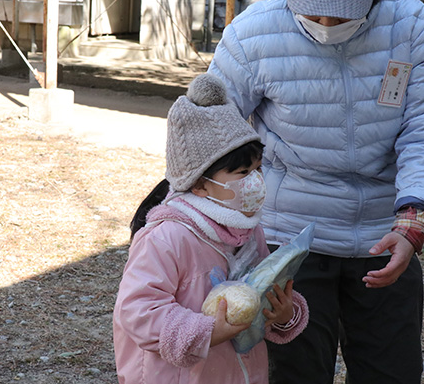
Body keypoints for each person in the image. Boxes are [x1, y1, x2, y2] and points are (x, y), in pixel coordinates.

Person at [207, 0, 424, 383]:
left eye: (343, 7)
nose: (326, 20)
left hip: (385, 234)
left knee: (392, 373)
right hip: (288, 237)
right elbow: (212, 133)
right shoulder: (252, 34)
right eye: (313, 7)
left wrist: (413, 221)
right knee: (294, 374)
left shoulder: (412, 28)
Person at [113, 73, 309, 384]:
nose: (255, 180)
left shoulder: (247, 230)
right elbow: (138, 311)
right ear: (202, 184)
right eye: (243, 172)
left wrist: (284, 314)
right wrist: (206, 331)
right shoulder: (167, 237)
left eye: (258, 169)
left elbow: (260, 293)